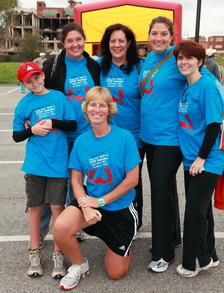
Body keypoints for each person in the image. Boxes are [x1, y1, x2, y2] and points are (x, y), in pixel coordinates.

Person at [54, 86, 141, 290]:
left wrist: (100, 201)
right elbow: (75, 180)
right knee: (60, 227)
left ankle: (126, 244)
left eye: (102, 105)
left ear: (109, 110)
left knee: (116, 273)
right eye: (93, 104)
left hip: (118, 208)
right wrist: (85, 206)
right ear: (86, 109)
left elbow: (133, 179)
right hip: (91, 204)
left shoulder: (124, 137)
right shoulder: (81, 141)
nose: (97, 109)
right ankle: (79, 265)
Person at [13, 62, 77, 278]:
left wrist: (53, 122)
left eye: (36, 78)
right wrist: (32, 129)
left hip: (58, 163)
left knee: (58, 208)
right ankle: (35, 252)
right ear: (23, 84)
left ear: (43, 76)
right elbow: (16, 135)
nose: (34, 83)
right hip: (35, 164)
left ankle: (58, 255)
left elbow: (73, 125)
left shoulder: (58, 97)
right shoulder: (24, 104)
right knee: (35, 208)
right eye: (28, 81)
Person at [40, 22, 100, 243]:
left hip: (85, 135)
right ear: (63, 43)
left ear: (84, 40)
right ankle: (43, 227)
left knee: (77, 182)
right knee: (55, 181)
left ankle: (71, 224)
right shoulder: (52, 65)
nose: (75, 44)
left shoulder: (93, 65)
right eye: (69, 40)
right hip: (60, 135)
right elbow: (39, 94)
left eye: (78, 39)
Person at [173, 40, 224, 277]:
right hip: (191, 159)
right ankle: (209, 256)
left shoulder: (207, 86)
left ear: (200, 61)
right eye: (180, 58)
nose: (183, 62)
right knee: (202, 211)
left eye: (189, 58)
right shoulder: (188, 85)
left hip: (207, 160)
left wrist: (201, 158)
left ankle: (192, 263)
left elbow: (214, 125)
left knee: (193, 211)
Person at [139, 16, 185, 272]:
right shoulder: (148, 60)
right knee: (165, 189)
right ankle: (172, 237)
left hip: (170, 138)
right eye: (154, 33)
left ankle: (163, 253)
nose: (158, 38)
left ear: (171, 37)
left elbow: (203, 76)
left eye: (163, 34)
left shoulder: (178, 56)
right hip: (149, 137)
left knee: (158, 189)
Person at [99, 23, 145, 229]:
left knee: (133, 181)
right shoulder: (97, 66)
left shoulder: (140, 67)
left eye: (121, 41)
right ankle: (112, 222)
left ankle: (133, 223)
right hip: (107, 135)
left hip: (135, 136)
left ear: (129, 44)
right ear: (107, 44)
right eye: (113, 41)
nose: (117, 45)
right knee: (110, 177)